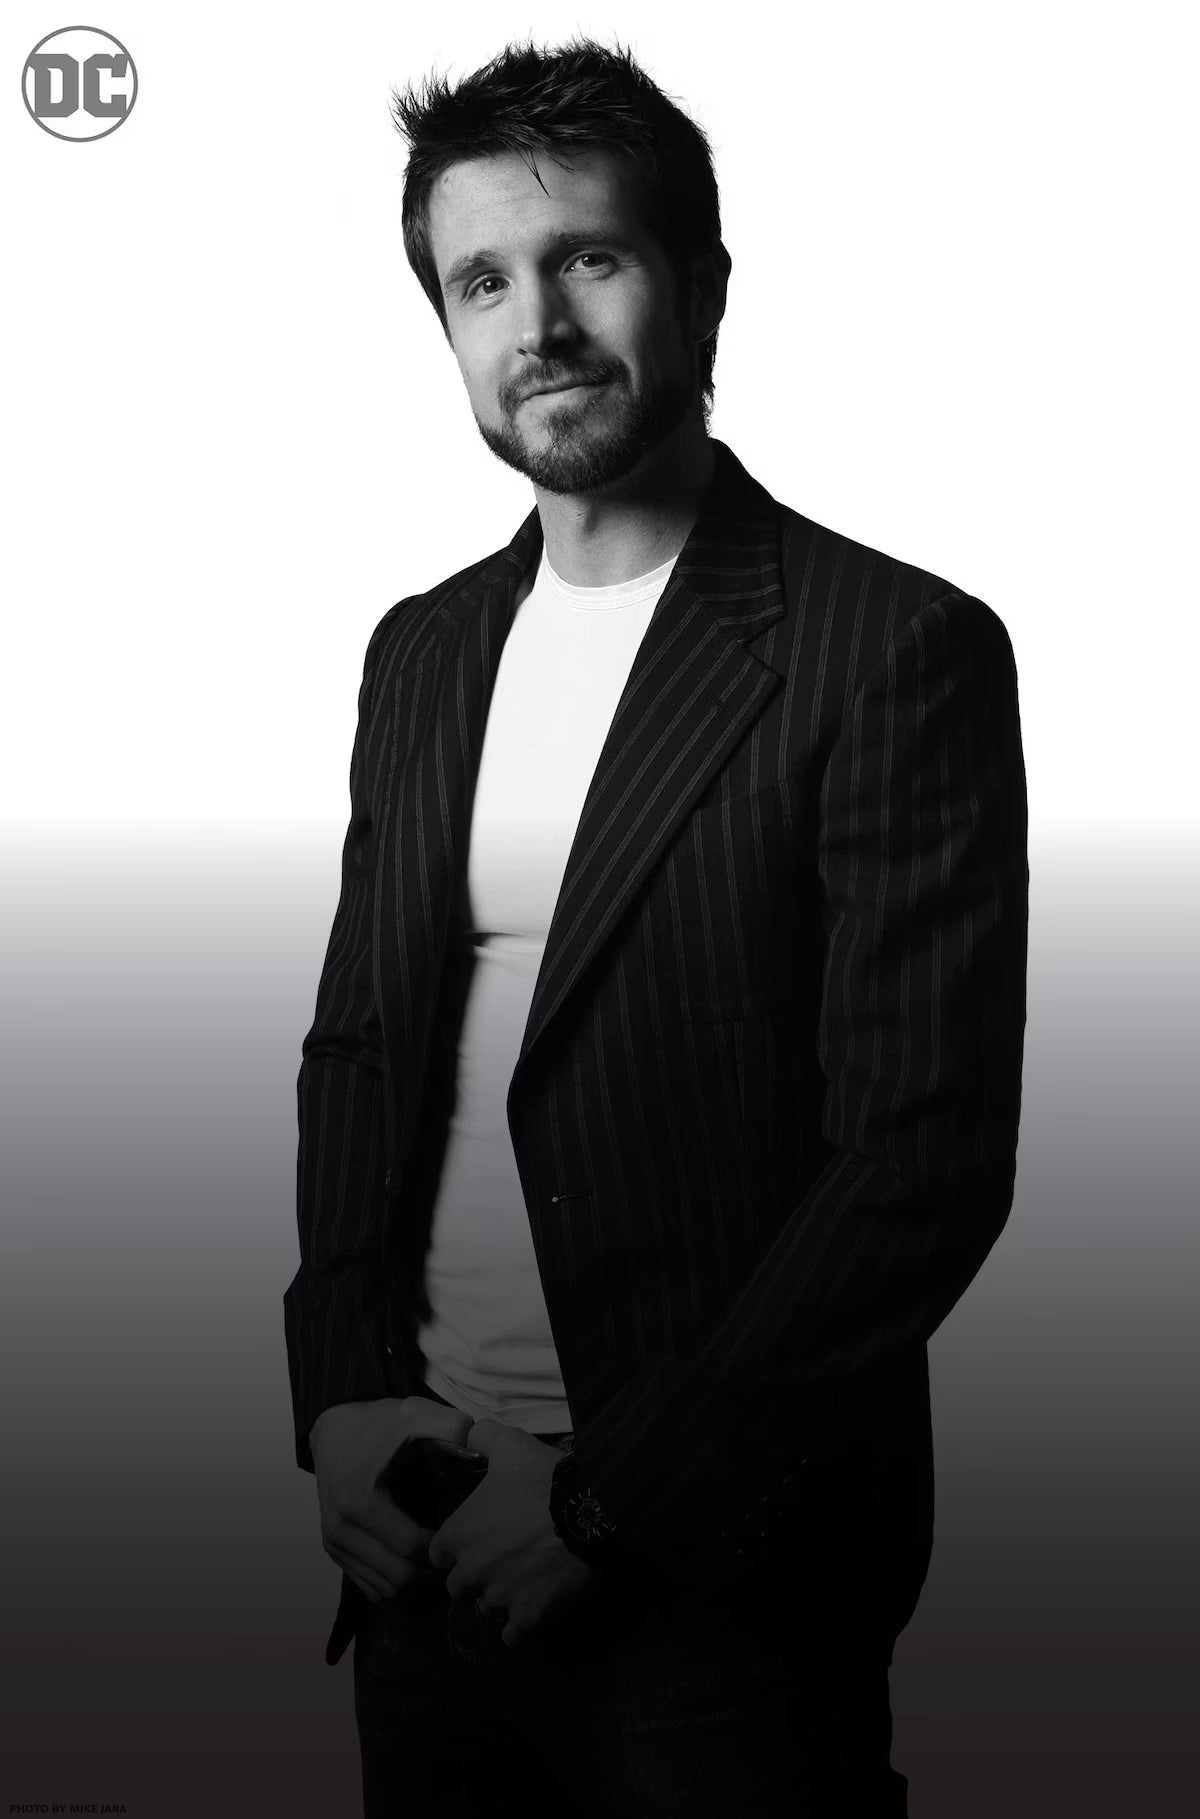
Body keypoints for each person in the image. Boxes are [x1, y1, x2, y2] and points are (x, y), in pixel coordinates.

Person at [283, 35, 1029, 1818]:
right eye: (481, 281)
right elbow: (362, 1051)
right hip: (423, 1532)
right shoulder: (422, 651)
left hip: (719, 1578)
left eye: (589, 259)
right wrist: (340, 1406)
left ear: (701, 285)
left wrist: (611, 1504)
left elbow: (918, 1162)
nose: (535, 323)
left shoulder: (890, 647)